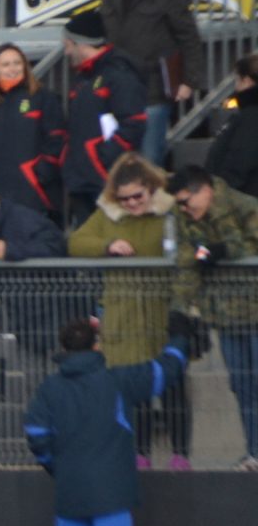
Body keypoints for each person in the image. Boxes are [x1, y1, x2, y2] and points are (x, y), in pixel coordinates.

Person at [25, 317, 190, 526]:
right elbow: (165, 371)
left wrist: (56, 467)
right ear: (96, 345)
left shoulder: (49, 388)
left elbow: (36, 434)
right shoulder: (118, 381)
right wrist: (180, 337)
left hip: (70, 489)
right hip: (112, 490)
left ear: (63, 348)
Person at [70, 154, 182, 466]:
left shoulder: (171, 212)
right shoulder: (108, 214)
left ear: (151, 189)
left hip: (162, 312)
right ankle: (140, 454)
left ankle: (180, 455)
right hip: (123, 318)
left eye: (137, 196)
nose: (132, 203)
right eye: (125, 199)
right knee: (132, 392)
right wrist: (108, 245)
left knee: (174, 389)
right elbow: (77, 242)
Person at [166, 166, 258, 471]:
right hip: (226, 317)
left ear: (204, 190)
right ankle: (254, 451)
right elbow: (187, 263)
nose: (183, 209)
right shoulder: (187, 218)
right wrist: (179, 309)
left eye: (185, 201)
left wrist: (227, 250)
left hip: (255, 312)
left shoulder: (243, 206)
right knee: (242, 386)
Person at [100, 0, 201, 166]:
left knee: (150, 158)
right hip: (117, 87)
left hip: (153, 87)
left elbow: (188, 36)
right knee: (117, 160)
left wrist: (189, 80)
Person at [62, 9, 149, 220]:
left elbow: (134, 123)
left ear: (79, 44)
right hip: (83, 181)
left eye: (68, 45)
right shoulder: (84, 78)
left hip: (107, 181)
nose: (66, 52)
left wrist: (103, 157)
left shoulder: (118, 74)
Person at [0, 41, 65, 221]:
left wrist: (40, 174)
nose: (12, 69)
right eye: (5, 64)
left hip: (33, 196)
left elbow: (57, 139)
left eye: (17, 63)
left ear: (25, 66)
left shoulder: (43, 98)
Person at [205, 53, 258, 197]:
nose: (235, 86)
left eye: (237, 80)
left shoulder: (250, 116)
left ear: (246, 81)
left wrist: (221, 191)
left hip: (243, 198)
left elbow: (241, 158)